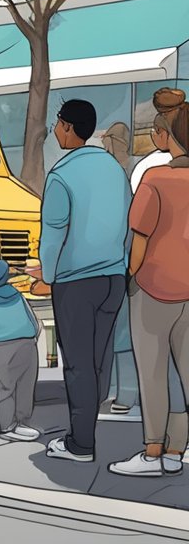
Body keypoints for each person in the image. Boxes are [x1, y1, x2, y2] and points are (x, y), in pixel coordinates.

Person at [32, 100, 131, 464]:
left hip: (76, 282)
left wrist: (48, 275)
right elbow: (128, 224)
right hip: (112, 279)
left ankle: (81, 444)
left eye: (58, 124)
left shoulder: (61, 175)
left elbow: (53, 235)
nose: (56, 130)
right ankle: (89, 424)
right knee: (100, 358)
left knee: (77, 364)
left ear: (69, 127)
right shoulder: (113, 169)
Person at [109, 97, 189, 478]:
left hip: (154, 289)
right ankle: (177, 449)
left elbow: (138, 238)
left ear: (166, 135)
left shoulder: (154, 179)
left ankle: (154, 452)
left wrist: (130, 276)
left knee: (154, 375)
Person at [0, 259, 41, 442]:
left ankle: (7, 426)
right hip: (27, 344)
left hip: (2, 348)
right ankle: (22, 422)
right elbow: (33, 320)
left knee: (5, 389)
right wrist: (34, 336)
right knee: (25, 386)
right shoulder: (18, 296)